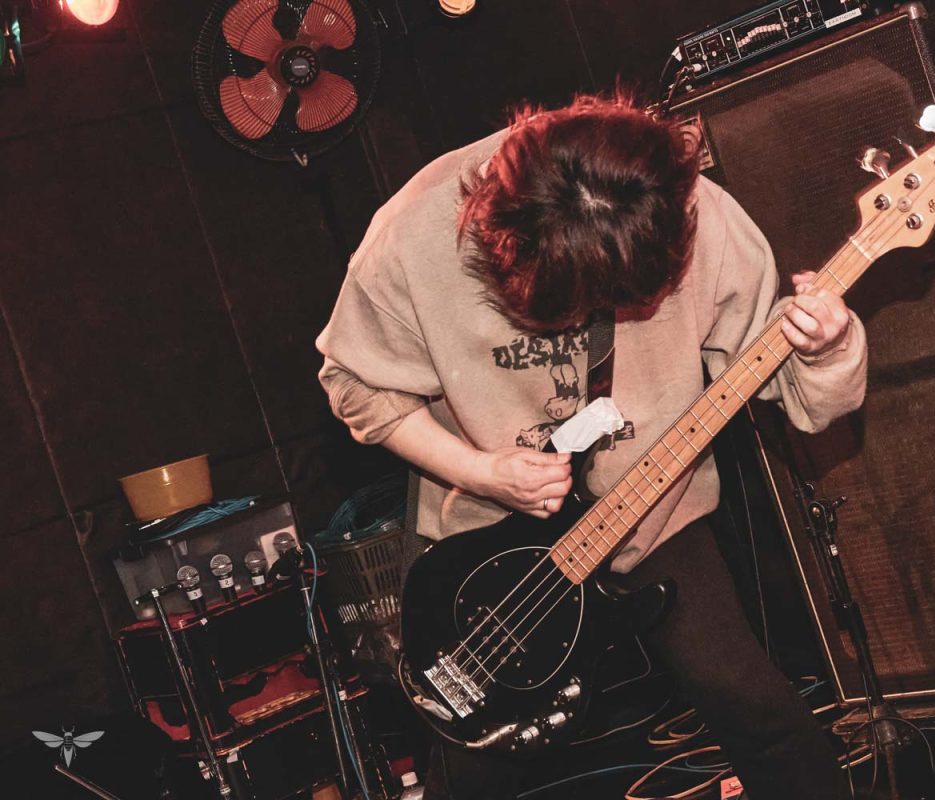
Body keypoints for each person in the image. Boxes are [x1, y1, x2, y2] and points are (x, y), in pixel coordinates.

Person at [316, 94, 866, 799]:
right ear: (501, 247)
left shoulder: (692, 208)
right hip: (488, 542)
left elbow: (796, 393)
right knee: (473, 768)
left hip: (651, 511)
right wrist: (480, 471)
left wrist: (827, 348)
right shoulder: (410, 236)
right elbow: (355, 386)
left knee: (761, 714)